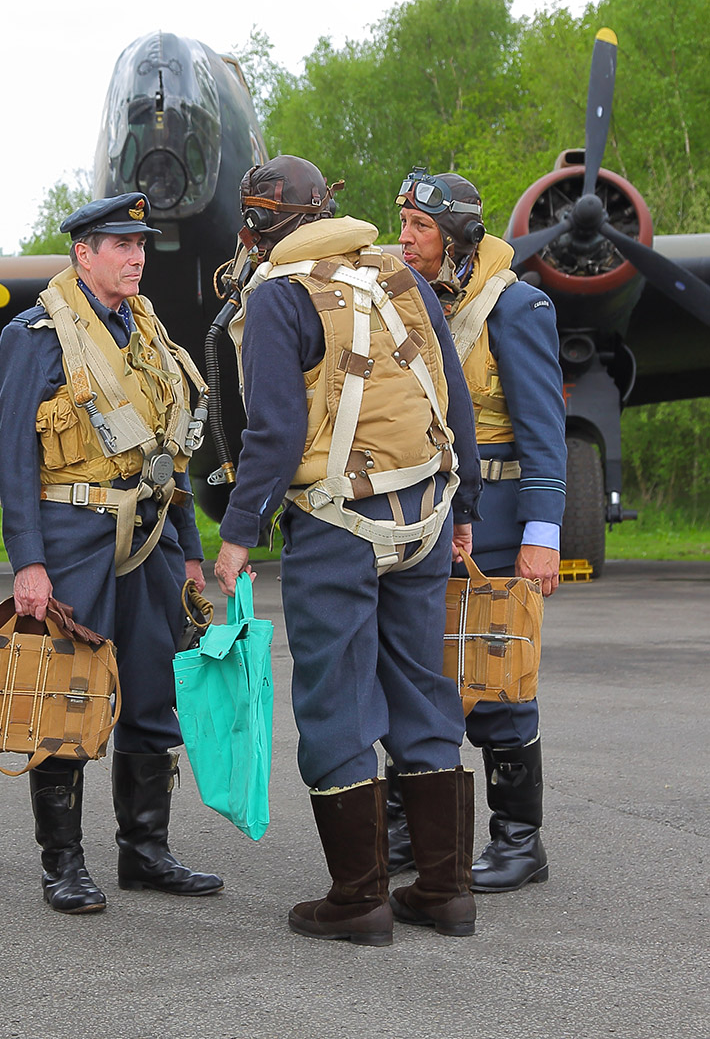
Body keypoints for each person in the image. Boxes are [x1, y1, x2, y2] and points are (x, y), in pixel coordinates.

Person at [213, 155, 483, 944]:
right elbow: (452, 396)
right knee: (422, 687)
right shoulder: (397, 276)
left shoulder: (277, 297)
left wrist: (236, 538)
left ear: (260, 222)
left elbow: (271, 433)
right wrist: (463, 509)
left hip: (339, 524)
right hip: (425, 513)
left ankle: (359, 900)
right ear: (330, 208)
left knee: (336, 700)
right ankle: (445, 890)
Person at [0, 192, 223, 914]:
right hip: (72, 537)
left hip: (152, 534)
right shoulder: (32, 335)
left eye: (141, 244)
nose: (137, 257)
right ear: (84, 253)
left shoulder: (150, 332)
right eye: (121, 245)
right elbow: (11, 458)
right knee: (63, 698)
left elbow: (171, 453)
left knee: (153, 693)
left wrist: (189, 552)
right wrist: (28, 561)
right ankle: (62, 864)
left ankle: (144, 853)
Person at [391, 167, 566, 892]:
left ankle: (519, 841)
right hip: (419, 515)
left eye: (420, 227)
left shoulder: (516, 307)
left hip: (493, 517)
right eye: (401, 222)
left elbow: (544, 426)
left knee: (495, 681)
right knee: (408, 672)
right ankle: (408, 830)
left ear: (460, 237)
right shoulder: (399, 301)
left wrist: (543, 531)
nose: (404, 238)